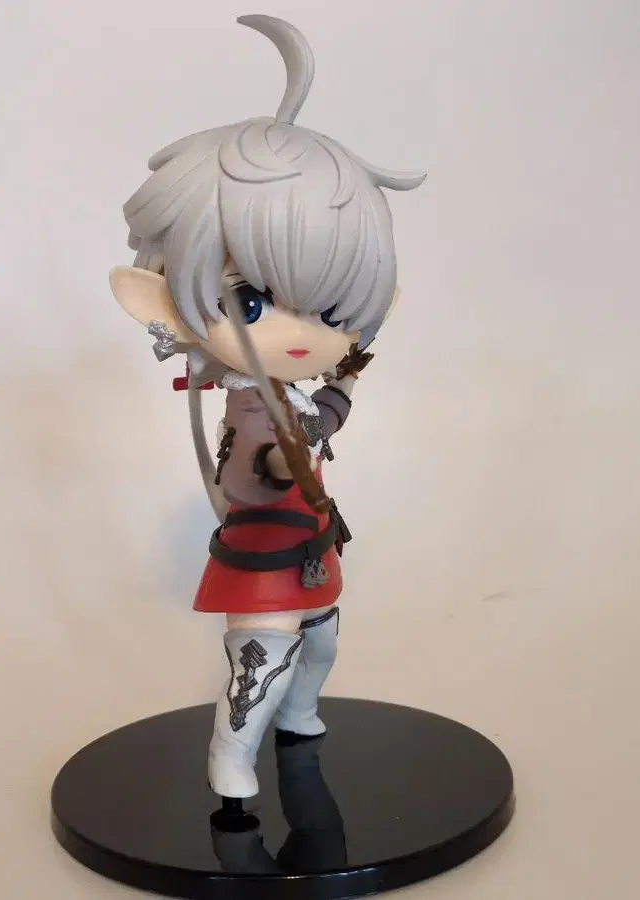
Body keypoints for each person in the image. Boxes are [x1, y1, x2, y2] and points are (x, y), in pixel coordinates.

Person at [110, 14, 425, 801]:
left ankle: (302, 716)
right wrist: (286, 457)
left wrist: (340, 391)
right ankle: (231, 754)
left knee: (320, 648)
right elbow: (248, 476)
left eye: (330, 308)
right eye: (252, 301)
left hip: (311, 545)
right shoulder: (250, 405)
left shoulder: (290, 395)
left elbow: (320, 424)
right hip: (265, 550)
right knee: (263, 660)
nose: (299, 333)